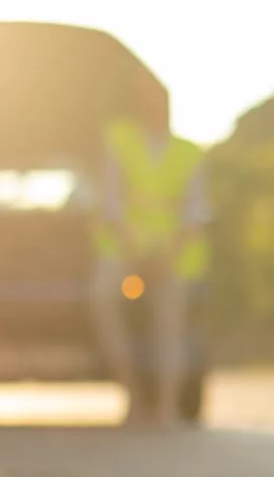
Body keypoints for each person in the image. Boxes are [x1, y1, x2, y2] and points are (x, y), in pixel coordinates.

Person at [89, 117, 210, 425]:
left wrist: (164, 261)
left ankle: (166, 408)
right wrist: (135, 257)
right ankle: (134, 398)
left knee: (170, 327)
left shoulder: (187, 152)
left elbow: (195, 212)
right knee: (103, 299)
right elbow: (112, 204)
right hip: (127, 250)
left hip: (173, 255)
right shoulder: (120, 141)